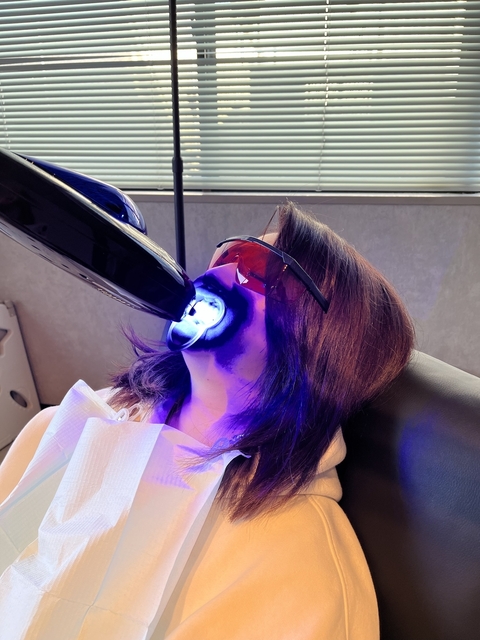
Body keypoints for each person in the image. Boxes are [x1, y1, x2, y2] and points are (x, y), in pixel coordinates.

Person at [0, 202, 414, 639]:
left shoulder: (306, 574)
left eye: (259, 268)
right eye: (230, 253)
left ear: (326, 345)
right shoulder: (78, 422)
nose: (218, 272)